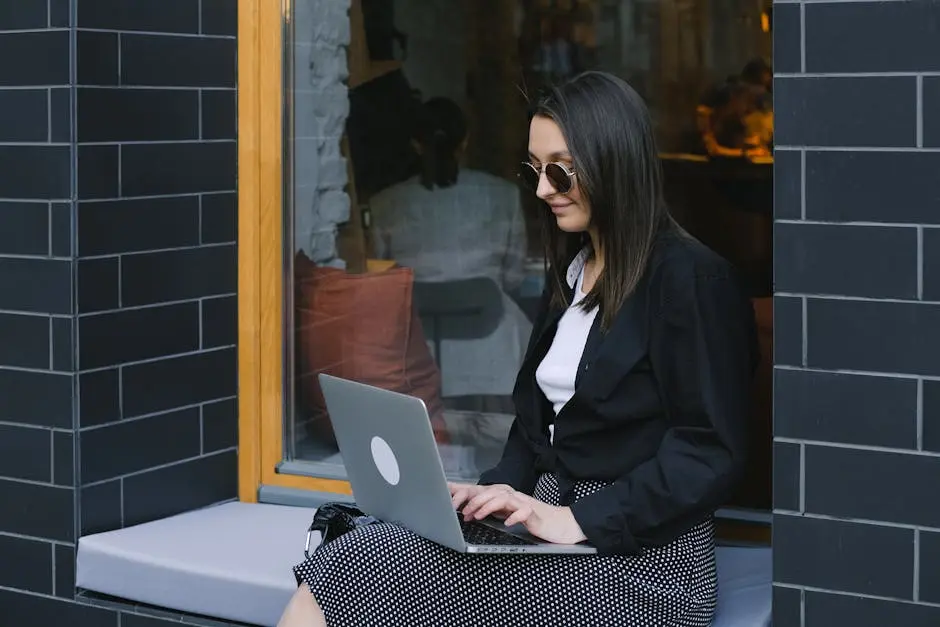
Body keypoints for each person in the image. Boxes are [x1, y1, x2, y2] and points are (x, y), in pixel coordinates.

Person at [278, 71, 758, 627]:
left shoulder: (692, 281)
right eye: (535, 169)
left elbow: (709, 450)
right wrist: (502, 489)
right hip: (548, 522)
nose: (542, 189)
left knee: (357, 568)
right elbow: (536, 429)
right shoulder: (576, 271)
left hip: (645, 563)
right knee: (354, 547)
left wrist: (577, 519)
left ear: (615, 161)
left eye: (560, 170)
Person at [369, 97, 533, 403]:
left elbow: (381, 281)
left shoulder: (384, 205)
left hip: (413, 349)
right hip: (492, 348)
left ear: (416, 145)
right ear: (466, 141)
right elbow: (514, 279)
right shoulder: (504, 196)